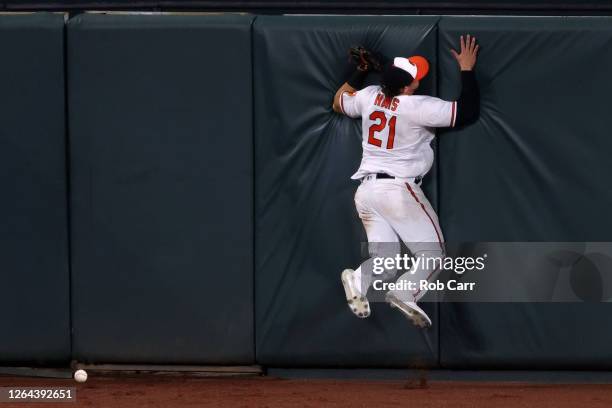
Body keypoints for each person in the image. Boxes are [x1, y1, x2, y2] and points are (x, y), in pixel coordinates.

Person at [333, 35, 480, 328]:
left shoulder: (369, 95)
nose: (419, 79)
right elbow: (466, 111)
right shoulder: (418, 106)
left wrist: (359, 73)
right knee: (433, 255)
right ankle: (405, 292)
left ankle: (358, 279)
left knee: (385, 262)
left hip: (367, 192)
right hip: (397, 190)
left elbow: (338, 102)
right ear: (405, 87)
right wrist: (467, 69)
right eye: (415, 76)